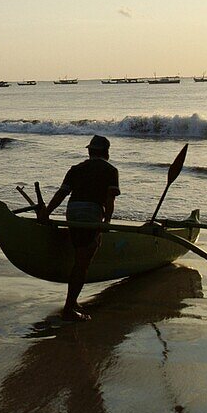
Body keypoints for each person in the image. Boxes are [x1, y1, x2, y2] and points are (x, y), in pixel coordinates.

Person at [35, 135, 120, 322]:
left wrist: (46, 213)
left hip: (72, 212)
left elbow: (62, 193)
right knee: (82, 262)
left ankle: (72, 302)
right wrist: (106, 222)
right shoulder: (111, 170)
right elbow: (109, 200)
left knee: (81, 252)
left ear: (89, 151)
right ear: (106, 153)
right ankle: (69, 307)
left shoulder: (76, 169)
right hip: (91, 213)